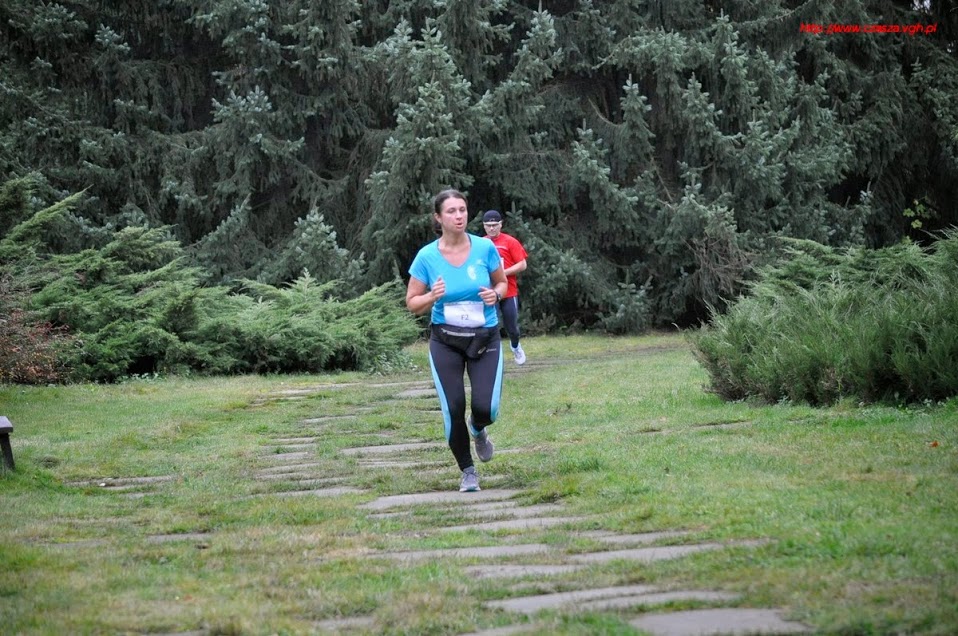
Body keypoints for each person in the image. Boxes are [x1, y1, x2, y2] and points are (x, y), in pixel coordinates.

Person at [406, 189, 508, 493]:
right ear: (438, 218)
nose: (459, 216)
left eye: (462, 209)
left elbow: (502, 282)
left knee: (487, 408)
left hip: (485, 338)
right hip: (446, 341)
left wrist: (496, 295)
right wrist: (431, 296)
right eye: (451, 211)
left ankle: (478, 428)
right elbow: (412, 303)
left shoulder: (484, 248)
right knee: (453, 408)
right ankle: (468, 471)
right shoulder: (426, 256)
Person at [481, 209, 528, 365]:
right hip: (489, 292)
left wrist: (502, 273)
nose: (492, 228)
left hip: (509, 291)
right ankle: (493, 355)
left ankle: (515, 347)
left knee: (512, 327)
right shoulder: (480, 244)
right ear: (484, 226)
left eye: (495, 225)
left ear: (501, 224)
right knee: (490, 326)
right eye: (488, 225)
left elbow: (522, 264)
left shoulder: (510, 241)